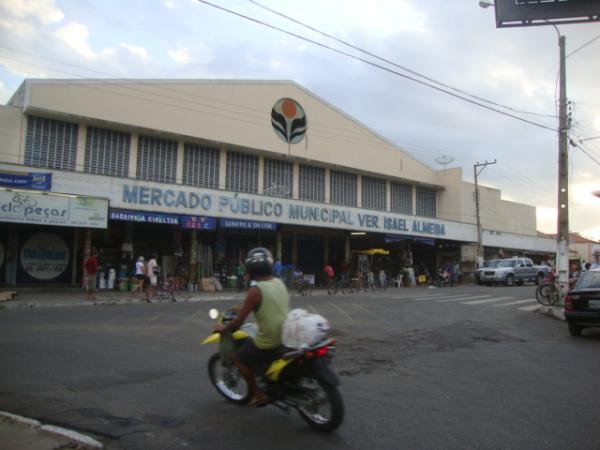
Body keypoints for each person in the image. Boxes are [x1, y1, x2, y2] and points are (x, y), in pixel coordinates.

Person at [213, 248, 290, 407]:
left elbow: (239, 322)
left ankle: (258, 393)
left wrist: (224, 328)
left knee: (238, 357)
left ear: (250, 269)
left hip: (269, 341)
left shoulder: (255, 291)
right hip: (286, 336)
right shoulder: (279, 282)